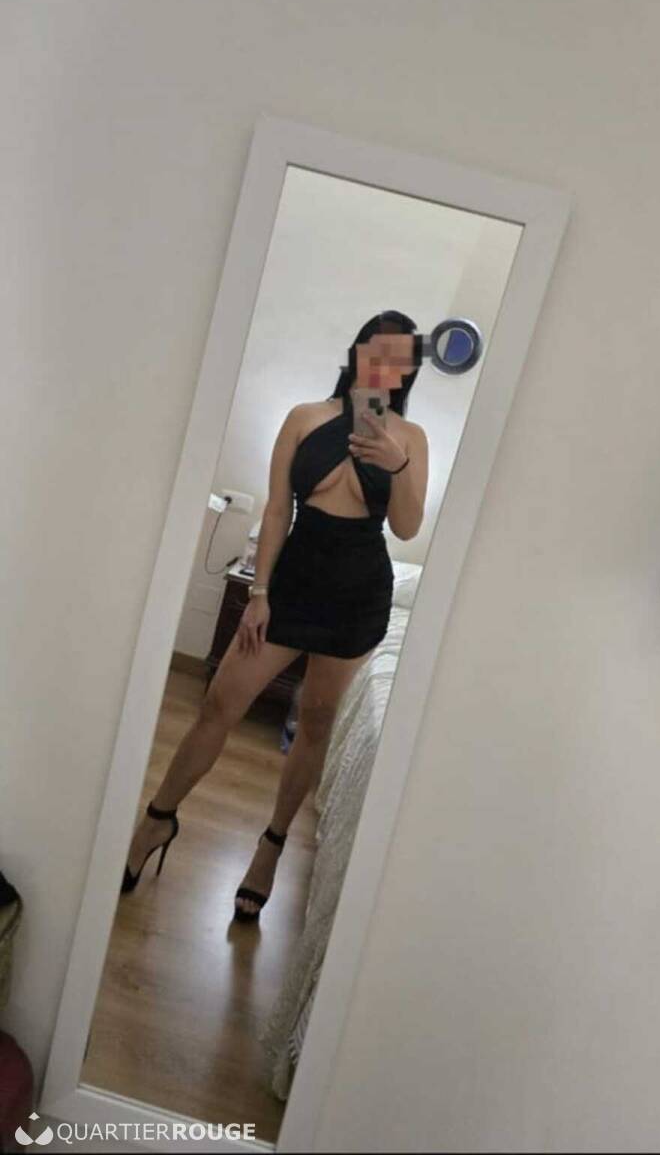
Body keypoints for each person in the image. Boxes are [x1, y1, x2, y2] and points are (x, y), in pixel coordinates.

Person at [121, 311, 429, 922]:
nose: (385, 367)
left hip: (358, 594)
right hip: (292, 585)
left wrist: (396, 464)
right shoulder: (304, 417)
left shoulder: (411, 438)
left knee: (314, 722)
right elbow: (276, 511)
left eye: (401, 360)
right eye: (378, 350)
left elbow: (406, 527)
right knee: (220, 701)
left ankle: (270, 847)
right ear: (358, 351)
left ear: (407, 373)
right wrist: (259, 593)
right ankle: (157, 819)